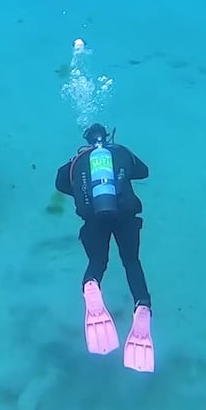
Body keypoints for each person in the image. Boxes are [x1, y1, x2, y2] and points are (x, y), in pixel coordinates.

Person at [54, 123, 154, 372]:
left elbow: (60, 183)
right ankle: (142, 305)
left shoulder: (76, 162)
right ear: (107, 137)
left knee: (97, 263)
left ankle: (91, 286)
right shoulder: (120, 151)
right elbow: (144, 172)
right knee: (131, 262)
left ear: (86, 140)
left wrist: (80, 180)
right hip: (126, 218)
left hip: (93, 220)